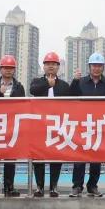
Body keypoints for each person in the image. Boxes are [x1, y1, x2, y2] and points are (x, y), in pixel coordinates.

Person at [29, 51, 72, 197]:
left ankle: (54, 186)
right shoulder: (37, 81)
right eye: (48, 64)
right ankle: (39, 187)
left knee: (56, 156)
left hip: (58, 125)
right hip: (39, 125)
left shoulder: (64, 85)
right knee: (38, 157)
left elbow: (71, 102)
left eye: (54, 64)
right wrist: (48, 84)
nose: (51, 66)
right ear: (44, 66)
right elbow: (33, 91)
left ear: (58, 67)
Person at [0, 55, 25, 197]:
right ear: (0, 69)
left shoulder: (19, 87)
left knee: (10, 158)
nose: (8, 70)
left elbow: (22, 105)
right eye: (5, 68)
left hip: (12, 125)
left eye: (11, 68)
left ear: (14, 70)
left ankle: (9, 187)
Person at [70, 52, 105, 197]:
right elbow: (71, 96)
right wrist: (74, 81)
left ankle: (92, 186)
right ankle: (77, 186)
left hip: (99, 125)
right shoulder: (81, 82)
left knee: (96, 158)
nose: (96, 68)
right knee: (79, 158)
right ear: (89, 67)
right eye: (94, 66)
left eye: (99, 66)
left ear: (103, 67)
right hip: (82, 124)